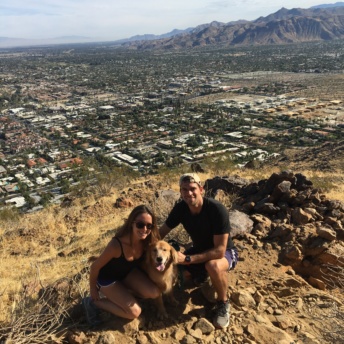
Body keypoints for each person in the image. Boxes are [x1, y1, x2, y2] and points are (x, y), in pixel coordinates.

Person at [159, 173, 238, 329]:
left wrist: (187, 259)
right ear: (180, 192)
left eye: (193, 189)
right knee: (177, 274)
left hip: (226, 253)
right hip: (199, 250)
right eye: (184, 190)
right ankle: (202, 276)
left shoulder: (216, 209)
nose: (189, 193)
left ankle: (223, 303)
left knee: (213, 266)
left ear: (201, 189)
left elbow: (219, 251)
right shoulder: (181, 208)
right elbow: (160, 233)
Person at [83, 205, 161, 326]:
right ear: (132, 223)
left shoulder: (147, 242)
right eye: (140, 225)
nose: (145, 229)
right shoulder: (116, 245)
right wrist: (93, 289)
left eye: (149, 226)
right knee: (134, 312)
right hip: (107, 278)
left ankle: (123, 295)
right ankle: (92, 302)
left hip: (126, 274)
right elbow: (95, 267)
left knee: (154, 292)